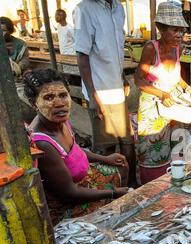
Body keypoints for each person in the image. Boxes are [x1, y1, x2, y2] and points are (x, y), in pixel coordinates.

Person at [23, 69, 130, 225]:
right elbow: (69, 193)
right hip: (66, 202)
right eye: (48, 97)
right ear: (35, 104)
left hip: (81, 177)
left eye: (63, 95)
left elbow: (74, 150)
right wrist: (114, 193)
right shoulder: (43, 143)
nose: (59, 103)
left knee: (121, 165)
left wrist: (106, 158)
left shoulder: (60, 120)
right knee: (109, 216)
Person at [134, 2, 191, 183]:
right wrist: (161, 94)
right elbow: (138, 79)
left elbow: (175, 76)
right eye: (174, 30)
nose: (180, 35)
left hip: (173, 103)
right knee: (153, 150)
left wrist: (188, 88)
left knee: (176, 145)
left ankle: (173, 183)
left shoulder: (177, 48)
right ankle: (151, 188)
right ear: (161, 29)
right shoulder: (151, 48)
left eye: (181, 30)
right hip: (153, 105)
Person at [74, 0, 137, 188]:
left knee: (128, 143)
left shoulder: (118, 9)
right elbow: (82, 55)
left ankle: (131, 184)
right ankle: (109, 190)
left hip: (117, 89)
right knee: (105, 147)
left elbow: (115, 50)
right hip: (100, 91)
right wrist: (93, 95)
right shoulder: (84, 9)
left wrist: (122, 76)